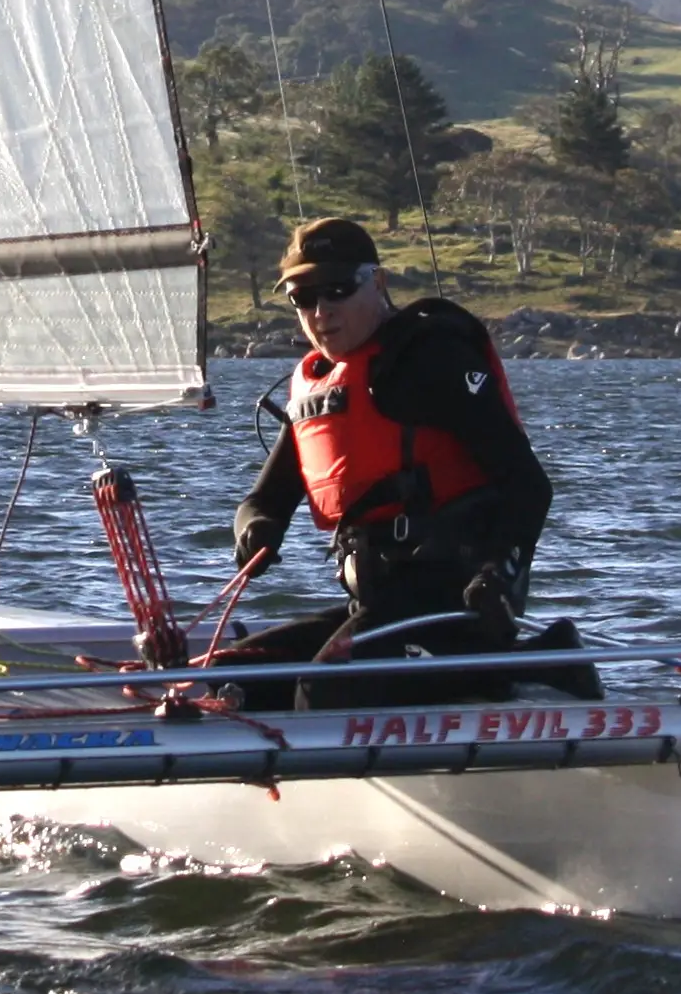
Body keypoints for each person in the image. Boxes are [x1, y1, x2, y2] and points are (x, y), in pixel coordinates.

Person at [219, 216, 589, 703]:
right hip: (375, 604)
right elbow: (264, 500)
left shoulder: (428, 358)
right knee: (231, 681)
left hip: (455, 605)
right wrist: (256, 531)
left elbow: (528, 485)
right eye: (302, 298)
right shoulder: (321, 385)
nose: (320, 310)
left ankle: (546, 665)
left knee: (323, 692)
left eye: (336, 290)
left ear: (377, 283)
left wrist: (498, 572)